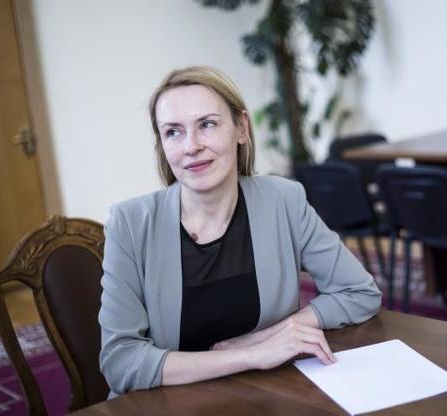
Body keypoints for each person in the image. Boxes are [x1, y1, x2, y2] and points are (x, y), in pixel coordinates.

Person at [99, 66, 381, 395]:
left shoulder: (284, 199)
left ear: (241, 128)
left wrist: (277, 333)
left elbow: (359, 292)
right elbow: (121, 362)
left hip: (266, 396)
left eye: (207, 124)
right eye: (173, 132)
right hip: (169, 403)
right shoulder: (129, 224)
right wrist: (252, 355)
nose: (191, 146)